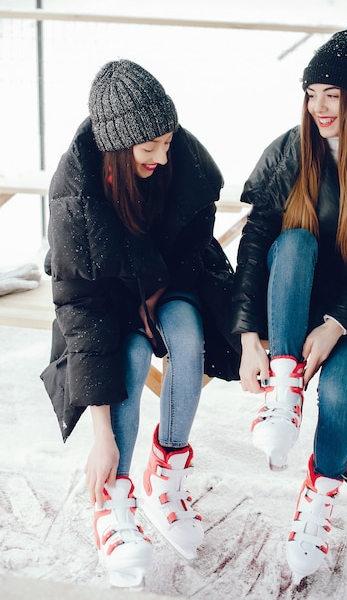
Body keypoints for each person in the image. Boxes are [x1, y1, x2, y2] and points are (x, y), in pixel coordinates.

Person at [41, 59, 240, 588]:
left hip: (166, 281)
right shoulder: (76, 193)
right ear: (117, 147)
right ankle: (113, 497)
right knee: (128, 357)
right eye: (149, 148)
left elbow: (194, 249)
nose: (163, 155)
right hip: (101, 301)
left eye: (168, 141)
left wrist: (242, 325)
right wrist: (99, 434)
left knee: (189, 338)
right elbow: (79, 308)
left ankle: (165, 473)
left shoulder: (182, 166)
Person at [232, 29, 347, 584]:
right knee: (293, 241)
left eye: (331, 94)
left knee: (338, 391)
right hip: (293, 296)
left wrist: (335, 326)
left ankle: (319, 499)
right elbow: (256, 242)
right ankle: (284, 391)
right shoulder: (292, 149)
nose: (319, 108)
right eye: (311, 94)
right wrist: (248, 338)